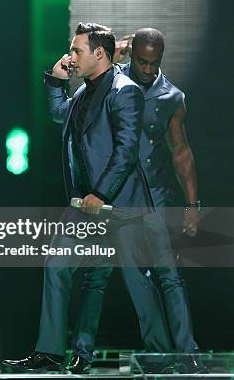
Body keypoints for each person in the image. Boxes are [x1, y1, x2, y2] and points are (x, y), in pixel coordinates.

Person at [2, 23, 173, 373]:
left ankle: (162, 355)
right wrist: (54, 80)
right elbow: (57, 113)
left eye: (77, 50)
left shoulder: (124, 91)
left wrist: (101, 193)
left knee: (134, 280)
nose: (71, 56)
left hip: (118, 204)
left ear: (99, 53)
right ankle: (52, 352)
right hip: (83, 206)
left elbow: (126, 152)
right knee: (58, 265)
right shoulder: (83, 92)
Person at [67, 28, 202, 374]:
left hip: (153, 197)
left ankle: (188, 353)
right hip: (113, 194)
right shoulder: (112, 80)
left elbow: (181, 151)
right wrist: (121, 45)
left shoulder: (171, 96)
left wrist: (192, 206)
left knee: (168, 275)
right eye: (140, 60)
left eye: (152, 63)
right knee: (108, 275)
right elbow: (87, 53)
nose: (146, 68)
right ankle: (99, 351)